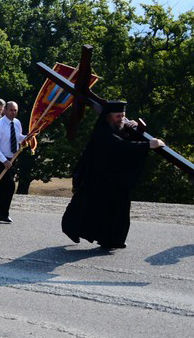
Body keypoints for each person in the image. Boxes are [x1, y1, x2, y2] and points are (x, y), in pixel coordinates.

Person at [62, 101, 163, 250]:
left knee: (118, 210)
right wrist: (148, 145)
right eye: (118, 116)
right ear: (108, 116)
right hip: (99, 179)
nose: (121, 119)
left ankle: (112, 240)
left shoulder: (118, 127)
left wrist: (134, 128)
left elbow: (125, 139)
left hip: (116, 179)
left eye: (123, 115)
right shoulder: (103, 131)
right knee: (90, 208)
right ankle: (72, 228)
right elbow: (121, 146)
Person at [0, 100, 26, 223]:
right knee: (9, 186)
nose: (13, 112)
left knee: (3, 188)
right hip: (0, 158)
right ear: (5, 110)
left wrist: (27, 137)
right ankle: (3, 213)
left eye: (15, 110)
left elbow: (18, 137)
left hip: (12, 158)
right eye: (11, 110)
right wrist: (4, 161)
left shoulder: (17, 123)